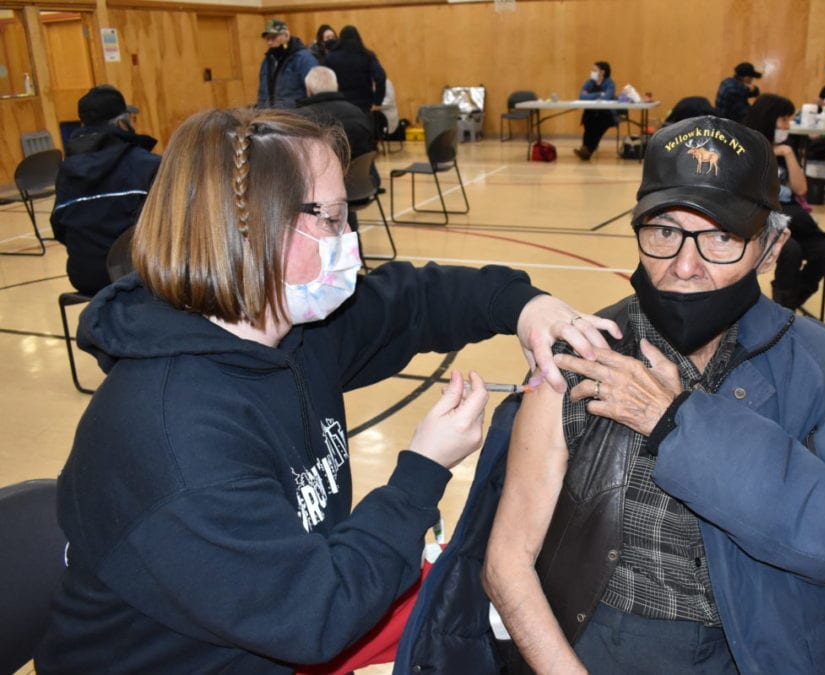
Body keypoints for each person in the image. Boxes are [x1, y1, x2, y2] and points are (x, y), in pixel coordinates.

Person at [34, 107, 619, 673]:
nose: (351, 241)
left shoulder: (286, 327)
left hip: (287, 614)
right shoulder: (174, 440)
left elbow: (411, 302)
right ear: (252, 229)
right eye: (333, 218)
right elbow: (316, 617)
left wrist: (524, 306)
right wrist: (422, 469)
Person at [485, 115, 825, 674]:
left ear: (772, 246)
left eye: (721, 237)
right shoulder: (583, 354)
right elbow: (507, 562)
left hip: (767, 644)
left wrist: (677, 420)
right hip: (602, 644)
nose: (685, 267)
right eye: (664, 231)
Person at [50, 85, 161, 295]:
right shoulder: (148, 165)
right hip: (139, 275)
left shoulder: (66, 172)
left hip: (85, 277)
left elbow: (59, 229)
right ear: (121, 122)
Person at [744, 93, 825, 310]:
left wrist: (788, 154)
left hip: (790, 215)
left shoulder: (787, 146)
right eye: (784, 119)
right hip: (762, 217)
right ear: (769, 118)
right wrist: (769, 154)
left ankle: (789, 304)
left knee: (824, 252)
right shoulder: (747, 147)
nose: (788, 125)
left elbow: (801, 189)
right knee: (791, 250)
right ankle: (783, 307)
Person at [296, 65, 379, 229]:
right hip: (365, 183)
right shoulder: (358, 112)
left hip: (329, 194)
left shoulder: (302, 119)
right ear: (336, 87)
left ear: (309, 90)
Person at [324, 25, 387, 115]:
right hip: (365, 105)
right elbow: (380, 77)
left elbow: (324, 81)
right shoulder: (367, 55)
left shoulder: (330, 57)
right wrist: (377, 102)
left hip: (340, 105)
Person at [256, 19, 317, 109]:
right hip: (269, 116)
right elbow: (262, 93)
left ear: (286, 35)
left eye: (273, 38)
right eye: (267, 39)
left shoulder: (303, 59)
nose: (269, 42)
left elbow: (314, 92)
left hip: (296, 117)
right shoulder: (267, 60)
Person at [573, 61, 617, 161]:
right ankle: (585, 149)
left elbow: (607, 97)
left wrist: (591, 95)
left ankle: (588, 150)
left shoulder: (609, 83)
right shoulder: (590, 82)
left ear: (602, 72)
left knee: (598, 125)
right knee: (588, 122)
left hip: (606, 113)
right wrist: (598, 95)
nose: (592, 72)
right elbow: (582, 96)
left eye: (594, 70)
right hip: (591, 112)